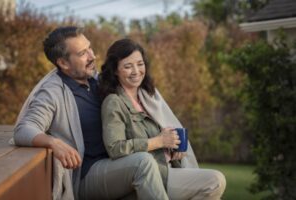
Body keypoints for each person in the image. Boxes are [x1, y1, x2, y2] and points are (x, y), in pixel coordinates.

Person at [14, 26, 169, 200]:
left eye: (90, 48)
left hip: (120, 163)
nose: (92, 56)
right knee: (144, 163)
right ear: (63, 63)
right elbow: (23, 129)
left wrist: (167, 140)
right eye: (82, 53)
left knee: (201, 185)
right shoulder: (52, 93)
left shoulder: (100, 81)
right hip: (87, 174)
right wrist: (53, 143)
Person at [99, 38, 226, 200]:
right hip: (151, 176)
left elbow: (162, 136)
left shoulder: (148, 97)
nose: (136, 71)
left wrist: (173, 149)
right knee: (214, 182)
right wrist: (159, 142)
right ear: (115, 70)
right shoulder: (114, 102)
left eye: (140, 64)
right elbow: (115, 148)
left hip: (168, 167)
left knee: (216, 180)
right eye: (128, 66)